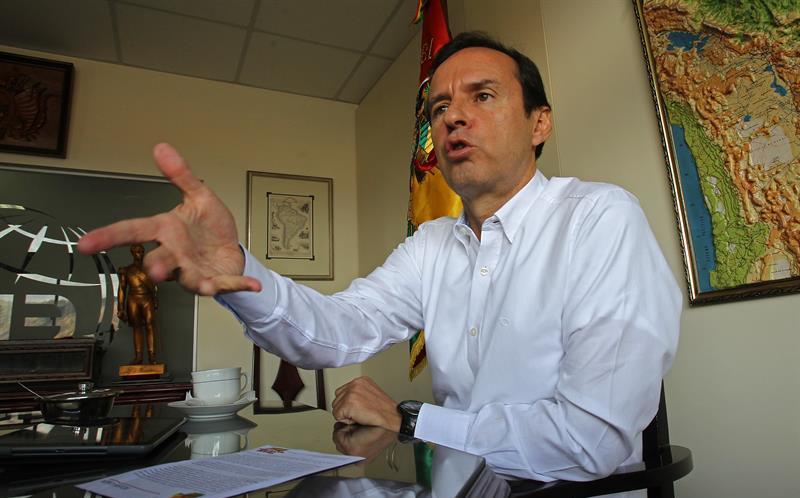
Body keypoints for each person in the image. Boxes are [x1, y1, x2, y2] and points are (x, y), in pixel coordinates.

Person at [78, 32, 681, 486]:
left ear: (539, 122)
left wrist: (412, 420)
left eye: (482, 96)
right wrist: (238, 269)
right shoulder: (432, 243)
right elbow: (336, 330)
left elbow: (588, 442)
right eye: (439, 108)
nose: (453, 117)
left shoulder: (598, 218)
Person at [117, 243, 159, 365]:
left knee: (150, 325)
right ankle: (138, 356)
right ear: (133, 253)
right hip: (133, 299)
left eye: (141, 251)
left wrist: (155, 298)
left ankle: (152, 356)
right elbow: (122, 289)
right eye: (137, 251)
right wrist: (120, 307)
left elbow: (154, 286)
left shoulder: (149, 269)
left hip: (146, 298)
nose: (140, 254)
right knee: (137, 326)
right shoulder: (127, 270)